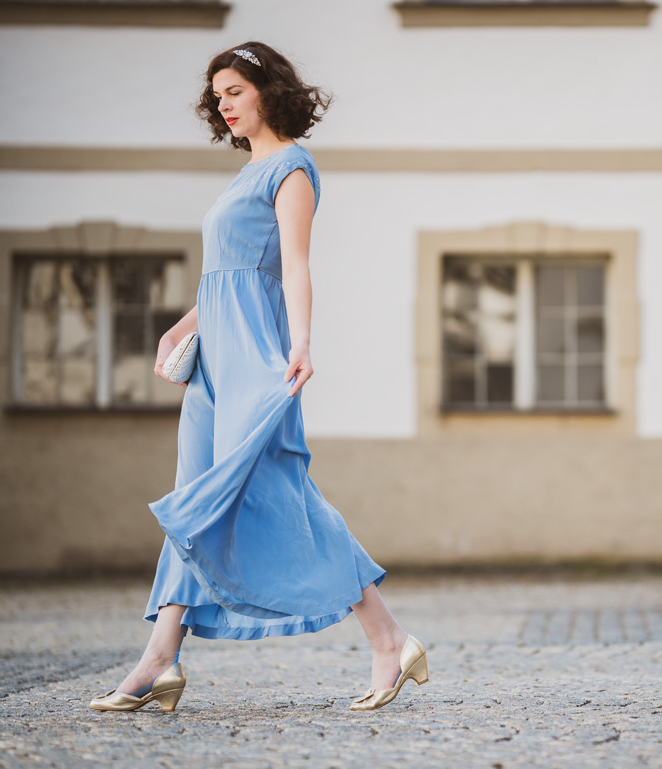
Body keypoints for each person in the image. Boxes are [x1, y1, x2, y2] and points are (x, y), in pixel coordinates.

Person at [88, 42, 427, 714]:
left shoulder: (293, 167)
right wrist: (185, 326)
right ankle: (160, 658)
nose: (224, 104)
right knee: (196, 497)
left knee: (280, 491)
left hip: (257, 356)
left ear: (268, 91)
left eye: (234, 91)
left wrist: (301, 345)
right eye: (217, 96)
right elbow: (229, 276)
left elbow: (291, 268)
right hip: (216, 356)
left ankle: (389, 639)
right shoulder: (245, 172)